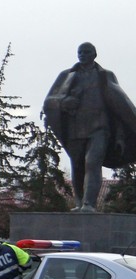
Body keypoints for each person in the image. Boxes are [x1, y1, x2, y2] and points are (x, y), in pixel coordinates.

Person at [43, 42, 136, 212]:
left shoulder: (105, 76)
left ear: (94, 54)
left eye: (86, 52)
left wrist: (121, 136)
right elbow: (49, 102)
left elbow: (118, 108)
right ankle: (79, 203)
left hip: (100, 129)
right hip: (75, 130)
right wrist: (64, 102)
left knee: (92, 162)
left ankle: (89, 204)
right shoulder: (66, 76)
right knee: (77, 166)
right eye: (80, 52)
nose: (82, 55)